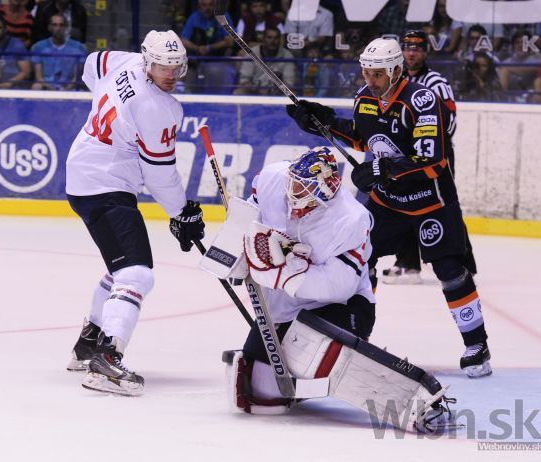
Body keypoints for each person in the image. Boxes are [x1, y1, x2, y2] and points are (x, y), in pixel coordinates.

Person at [204, 148, 453, 430]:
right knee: (260, 395)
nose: (293, 191)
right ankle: (307, 377)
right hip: (282, 310)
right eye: (294, 182)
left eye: (303, 188)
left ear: (325, 192)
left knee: (309, 347)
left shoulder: (351, 219)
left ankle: (417, 399)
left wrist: (278, 274)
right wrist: (234, 256)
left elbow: (339, 286)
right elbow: (246, 221)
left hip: (340, 308)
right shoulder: (273, 179)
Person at [286, 38, 492, 378]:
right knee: (359, 259)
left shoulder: (422, 99)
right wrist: (323, 120)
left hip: (431, 202)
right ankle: (355, 333)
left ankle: (476, 345)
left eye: (378, 74)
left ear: (396, 70)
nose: (371, 80)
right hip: (388, 203)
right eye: (367, 72)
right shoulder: (365, 97)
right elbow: (362, 137)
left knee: (450, 270)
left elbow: (432, 158)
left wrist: (380, 169)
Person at [64, 30, 205, 396]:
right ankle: (107, 359)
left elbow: (91, 65)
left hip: (84, 173)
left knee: (119, 268)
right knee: (137, 273)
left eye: (175, 67)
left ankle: (89, 344)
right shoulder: (161, 107)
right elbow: (158, 173)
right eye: (162, 67)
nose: (170, 75)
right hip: (104, 184)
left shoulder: (123, 61)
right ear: (148, 61)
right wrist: (182, 212)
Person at [381, 30, 477, 284]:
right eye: (408, 47)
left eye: (417, 48)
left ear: (425, 52)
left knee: (445, 206)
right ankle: (408, 264)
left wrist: (427, 146)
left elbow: (450, 121)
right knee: (406, 204)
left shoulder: (437, 82)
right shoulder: (395, 81)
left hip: (435, 156)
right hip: (405, 158)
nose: (412, 52)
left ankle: (465, 265)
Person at [234, 26, 295, 95]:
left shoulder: (287, 55)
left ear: (279, 40)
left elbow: (289, 82)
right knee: (239, 92)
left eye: (276, 38)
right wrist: (257, 89)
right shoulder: (251, 53)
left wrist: (276, 89)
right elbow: (244, 81)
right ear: (263, 39)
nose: (273, 41)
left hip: (278, 92)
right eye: (269, 37)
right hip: (254, 91)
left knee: (292, 94)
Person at [30, 14, 85, 90]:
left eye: (61, 25)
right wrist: (52, 90)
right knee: (36, 86)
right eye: (54, 25)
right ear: (49, 27)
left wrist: (65, 91)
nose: (58, 28)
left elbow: (76, 78)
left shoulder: (78, 47)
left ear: (66, 27)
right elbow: (39, 77)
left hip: (69, 88)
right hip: (46, 87)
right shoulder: (39, 47)